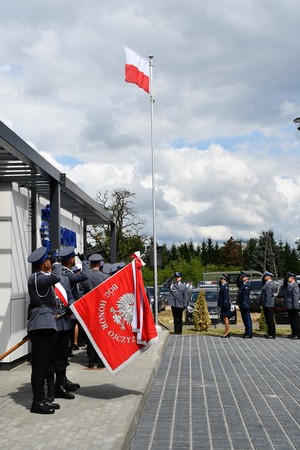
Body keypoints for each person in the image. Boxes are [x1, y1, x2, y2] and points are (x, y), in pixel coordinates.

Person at [27, 247, 62, 414]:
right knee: (40, 366)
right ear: (44, 263)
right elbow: (57, 276)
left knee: (46, 363)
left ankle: (45, 398)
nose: (50, 263)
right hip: (42, 326)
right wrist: (57, 262)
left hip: (46, 325)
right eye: (48, 260)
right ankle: (37, 401)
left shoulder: (39, 278)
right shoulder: (38, 278)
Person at [82, 253, 110, 368]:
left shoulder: (85, 277)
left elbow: (82, 294)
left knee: (90, 335)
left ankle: (91, 360)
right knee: (102, 336)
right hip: (102, 310)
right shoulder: (105, 277)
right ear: (99, 263)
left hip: (89, 310)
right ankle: (100, 360)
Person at [283, 272, 300, 339]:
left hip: (293, 306)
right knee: (291, 320)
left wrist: (295, 306)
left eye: (288, 278)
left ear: (292, 278)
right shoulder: (289, 285)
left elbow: (296, 296)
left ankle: (297, 334)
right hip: (289, 305)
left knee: (295, 320)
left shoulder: (294, 285)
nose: (287, 279)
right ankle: (293, 333)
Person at [260, 271, 276, 339]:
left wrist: (267, 304)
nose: (264, 278)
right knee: (268, 319)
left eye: (265, 276)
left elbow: (268, 295)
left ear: (268, 277)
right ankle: (269, 332)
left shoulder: (269, 284)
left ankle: (272, 334)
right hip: (267, 304)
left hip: (268, 304)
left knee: (270, 319)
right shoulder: (267, 283)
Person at [237, 271, 252, 338]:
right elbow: (237, 283)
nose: (242, 278)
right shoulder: (243, 284)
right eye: (242, 277)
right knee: (244, 318)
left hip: (245, 304)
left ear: (247, 278)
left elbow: (245, 296)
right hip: (242, 304)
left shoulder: (247, 285)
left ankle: (249, 333)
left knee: (247, 318)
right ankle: (246, 331)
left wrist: (245, 304)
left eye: (243, 277)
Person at [218, 274, 231, 338]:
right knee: (224, 318)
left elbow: (226, 296)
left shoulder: (225, 286)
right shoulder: (223, 285)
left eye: (222, 279)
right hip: (223, 304)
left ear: (225, 279)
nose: (221, 280)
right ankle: (226, 331)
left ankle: (227, 332)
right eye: (220, 279)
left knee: (226, 319)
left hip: (225, 304)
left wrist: (225, 304)